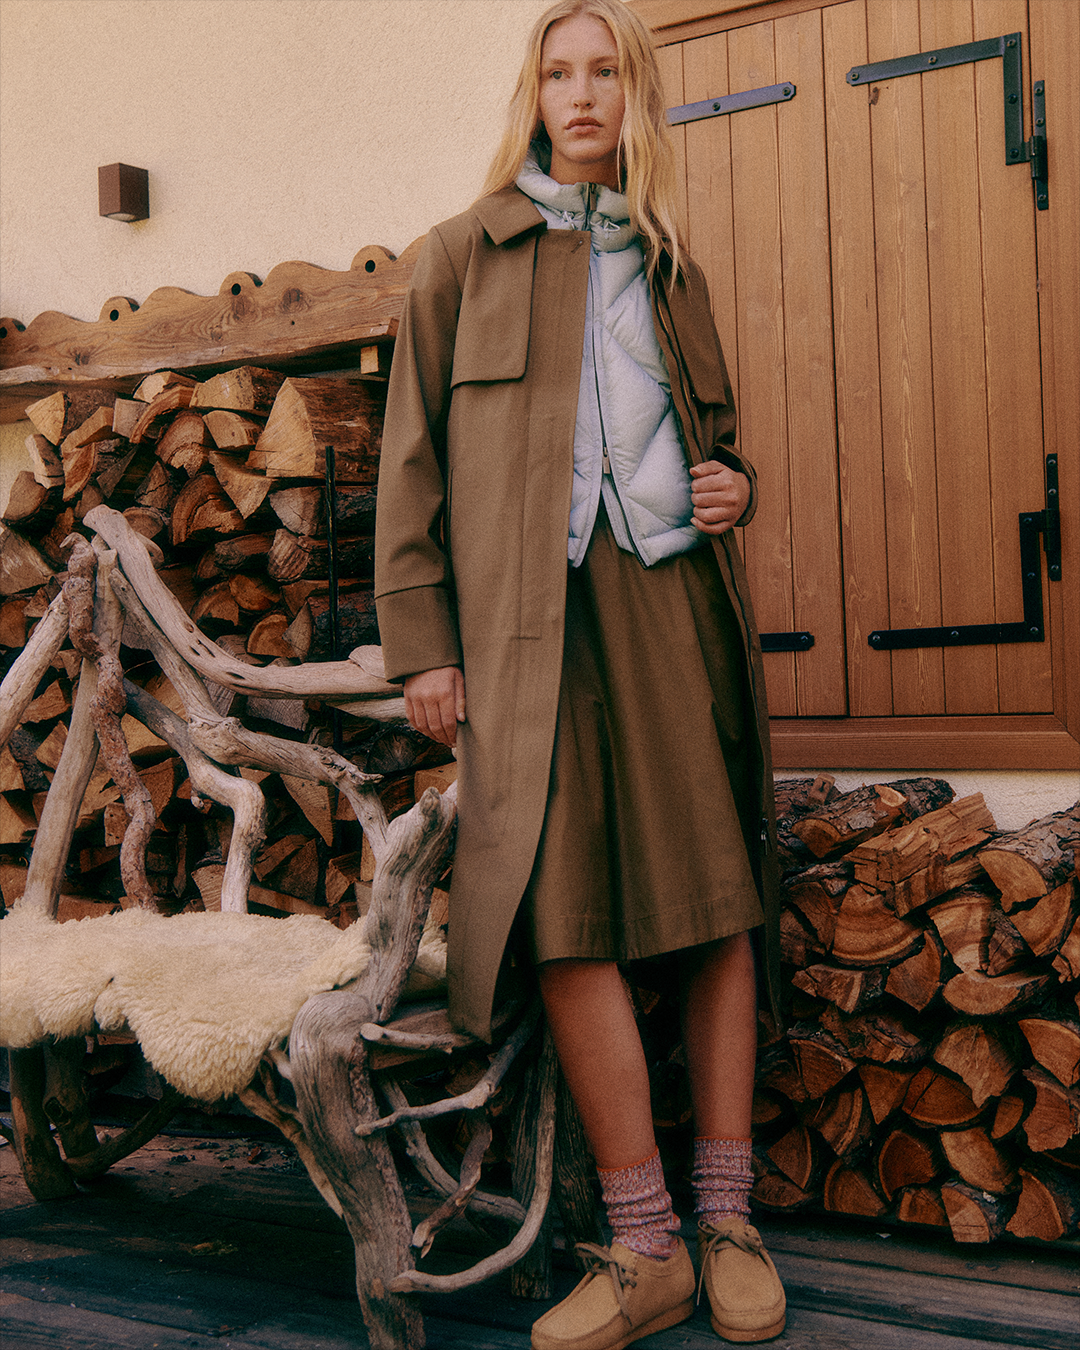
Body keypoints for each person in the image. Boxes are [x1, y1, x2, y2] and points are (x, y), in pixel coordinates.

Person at [374, 1, 786, 1345]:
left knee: (715, 900)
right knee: (562, 916)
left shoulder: (669, 263)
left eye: (606, 70)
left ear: (636, 92)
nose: (584, 93)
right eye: (560, 73)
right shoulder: (458, 257)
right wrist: (425, 644)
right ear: (534, 96)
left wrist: (734, 487)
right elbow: (410, 465)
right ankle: (646, 1245)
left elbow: (718, 440)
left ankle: (727, 1220)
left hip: (669, 604)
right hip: (522, 632)